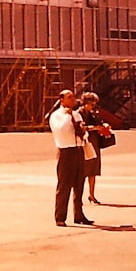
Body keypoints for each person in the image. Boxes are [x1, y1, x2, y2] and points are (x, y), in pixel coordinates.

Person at [48, 89, 94, 226]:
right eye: (69, 97)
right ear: (61, 99)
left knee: (79, 184)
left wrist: (84, 132)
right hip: (66, 151)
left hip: (78, 150)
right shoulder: (57, 116)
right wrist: (68, 116)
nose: (73, 99)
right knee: (64, 185)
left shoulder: (77, 115)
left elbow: (81, 129)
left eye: (73, 97)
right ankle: (60, 216)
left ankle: (79, 215)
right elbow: (61, 130)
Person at [78, 92, 111, 204]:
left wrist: (104, 125)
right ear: (85, 103)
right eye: (91, 104)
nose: (93, 106)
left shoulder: (93, 114)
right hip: (84, 143)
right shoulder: (78, 113)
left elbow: (100, 123)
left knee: (93, 171)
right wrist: (93, 128)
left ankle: (91, 195)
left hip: (94, 143)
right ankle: (78, 196)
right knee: (82, 171)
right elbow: (79, 128)